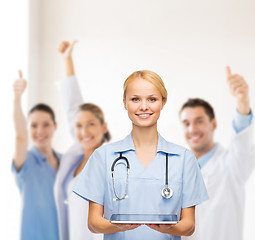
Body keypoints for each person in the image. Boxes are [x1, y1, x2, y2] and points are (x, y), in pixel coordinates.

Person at [73, 70, 209, 240]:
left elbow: (188, 226)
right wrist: (119, 226)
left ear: (163, 102)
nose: (144, 106)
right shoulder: (103, 157)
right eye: (135, 99)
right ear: (125, 103)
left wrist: (164, 228)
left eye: (152, 99)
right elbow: (94, 222)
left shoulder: (184, 159)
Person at [179, 67, 255, 240]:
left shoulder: (232, 164)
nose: (192, 129)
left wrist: (242, 102)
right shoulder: (177, 171)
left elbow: (241, 143)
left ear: (213, 124)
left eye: (199, 121)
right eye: (186, 123)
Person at [54, 41, 109, 240]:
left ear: (104, 127)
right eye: (79, 126)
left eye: (91, 124)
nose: (84, 131)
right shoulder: (75, 158)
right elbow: (72, 108)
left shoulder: (110, 162)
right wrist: (67, 59)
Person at [12, 70, 61, 240]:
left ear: (55, 126)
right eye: (33, 126)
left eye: (45, 124)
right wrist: (17, 98)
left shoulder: (65, 162)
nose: (40, 131)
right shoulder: (26, 161)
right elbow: (20, 136)